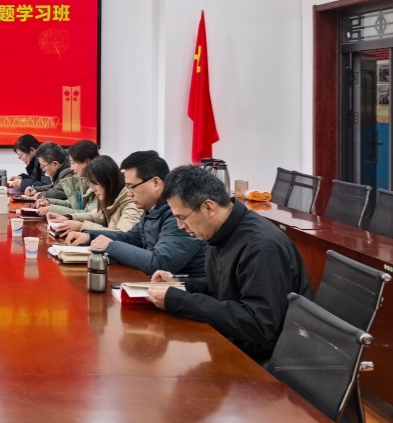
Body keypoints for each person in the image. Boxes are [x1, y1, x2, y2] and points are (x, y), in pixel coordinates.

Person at [147, 165, 312, 362]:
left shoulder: (261, 247)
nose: (180, 226)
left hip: (262, 358)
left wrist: (180, 301)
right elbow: (225, 287)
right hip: (233, 342)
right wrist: (180, 285)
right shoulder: (222, 232)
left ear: (209, 207)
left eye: (182, 218)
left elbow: (259, 324)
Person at [65, 151, 206, 277]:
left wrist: (110, 246)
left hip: (187, 289)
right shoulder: (153, 209)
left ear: (156, 183)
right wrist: (89, 236)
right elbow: (130, 238)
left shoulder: (179, 215)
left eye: (132, 187)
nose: (129, 193)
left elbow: (159, 263)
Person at [51, 155, 143, 235]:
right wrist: (69, 217)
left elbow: (122, 236)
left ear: (109, 183)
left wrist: (82, 227)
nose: (93, 189)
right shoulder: (111, 197)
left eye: (95, 183)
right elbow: (95, 216)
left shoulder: (131, 205)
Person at [33, 140, 98, 216]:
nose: (71, 168)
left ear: (88, 162)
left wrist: (51, 209)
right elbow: (73, 204)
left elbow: (87, 214)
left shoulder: (99, 183)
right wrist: (49, 202)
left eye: (73, 163)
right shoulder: (82, 180)